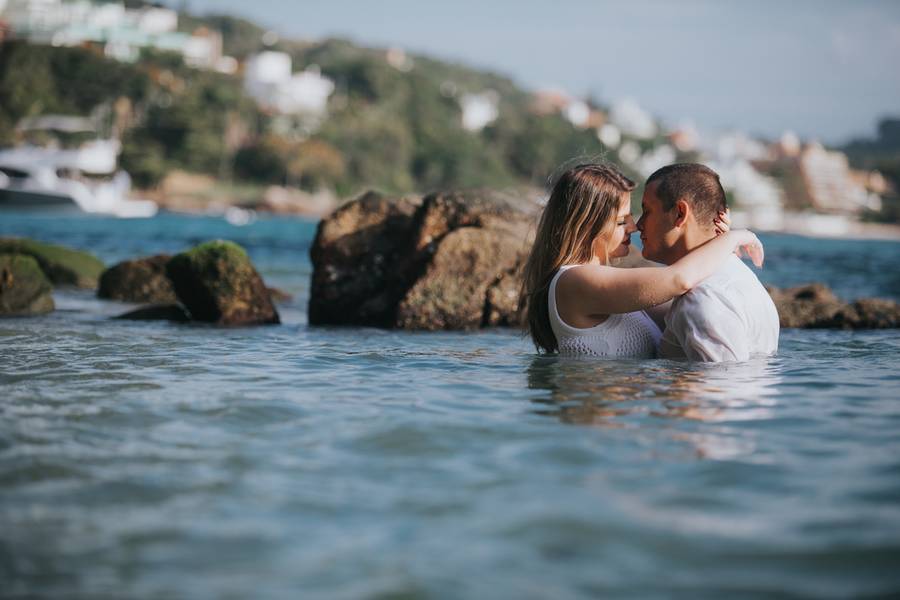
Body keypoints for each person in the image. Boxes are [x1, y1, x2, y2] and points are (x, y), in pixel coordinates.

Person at [520, 162, 763, 358]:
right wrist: (736, 237)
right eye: (620, 221)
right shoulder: (574, 281)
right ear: (586, 227)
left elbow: (688, 299)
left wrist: (714, 242)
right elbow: (679, 279)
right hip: (593, 418)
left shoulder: (609, 287)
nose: (633, 226)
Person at [637, 163, 779, 361]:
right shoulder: (745, 278)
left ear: (680, 213)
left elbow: (720, 387)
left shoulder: (701, 299)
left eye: (647, 211)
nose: (638, 224)